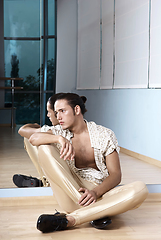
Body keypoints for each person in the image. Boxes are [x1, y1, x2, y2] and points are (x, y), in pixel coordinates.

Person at [24, 92, 148, 233]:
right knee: (44, 148)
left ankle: (71, 220)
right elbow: (33, 138)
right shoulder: (59, 132)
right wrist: (59, 139)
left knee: (140, 189)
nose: (58, 117)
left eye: (62, 111)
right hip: (72, 195)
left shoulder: (104, 134)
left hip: (99, 193)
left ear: (77, 110)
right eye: (56, 112)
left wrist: (95, 193)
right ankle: (95, 212)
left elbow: (115, 175)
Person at [13, 94, 60, 188]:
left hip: (61, 177)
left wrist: (35, 125)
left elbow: (22, 130)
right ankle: (43, 180)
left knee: (32, 138)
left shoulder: (56, 130)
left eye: (49, 112)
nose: (48, 115)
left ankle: (44, 182)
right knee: (37, 137)